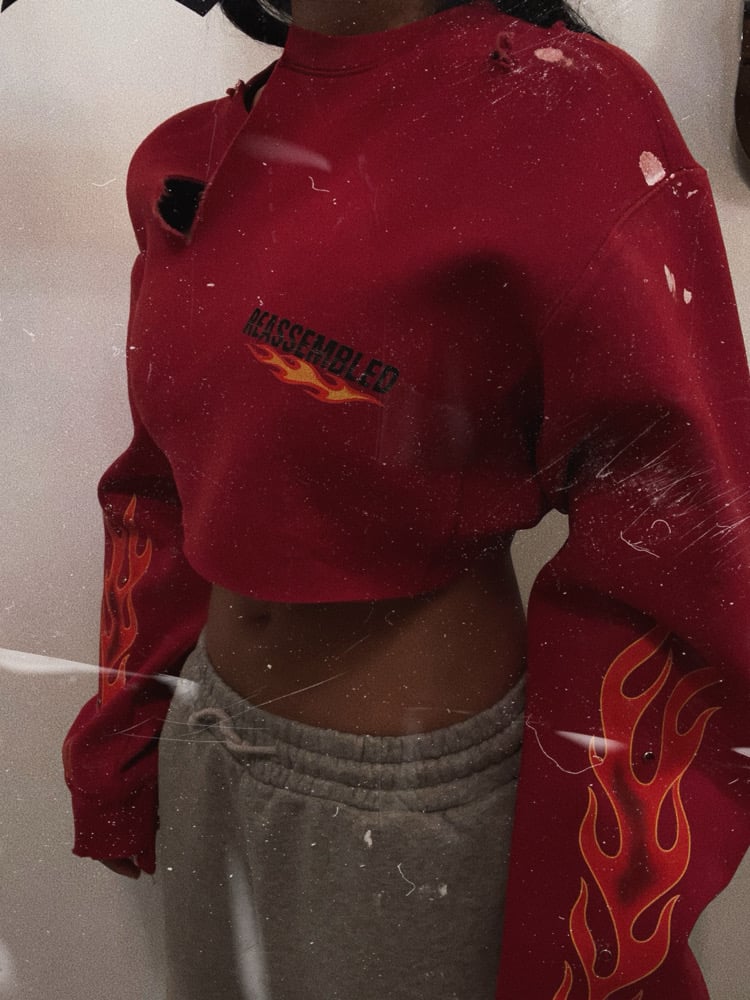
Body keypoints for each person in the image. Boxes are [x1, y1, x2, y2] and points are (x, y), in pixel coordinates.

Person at [63, 1, 750, 997]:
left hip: (411, 799)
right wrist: (124, 747)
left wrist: (594, 938)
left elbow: (681, 543)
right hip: (206, 744)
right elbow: (160, 483)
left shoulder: (568, 119)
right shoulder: (190, 160)